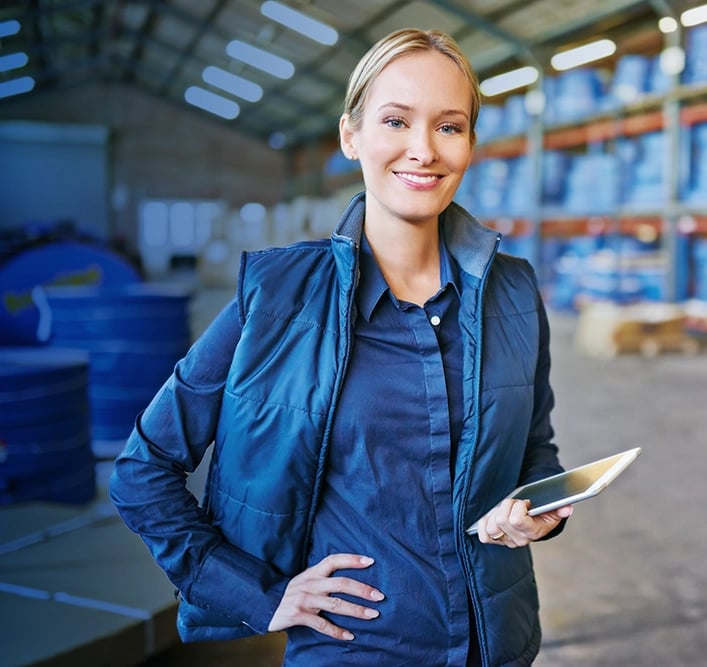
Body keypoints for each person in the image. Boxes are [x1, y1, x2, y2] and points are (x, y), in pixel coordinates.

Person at [109, 27, 573, 666]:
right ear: (351, 136)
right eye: (395, 120)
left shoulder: (513, 291)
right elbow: (144, 469)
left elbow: (535, 450)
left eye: (449, 126)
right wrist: (258, 594)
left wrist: (538, 509)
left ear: (469, 143)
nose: (423, 150)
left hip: (499, 643)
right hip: (357, 649)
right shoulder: (278, 296)